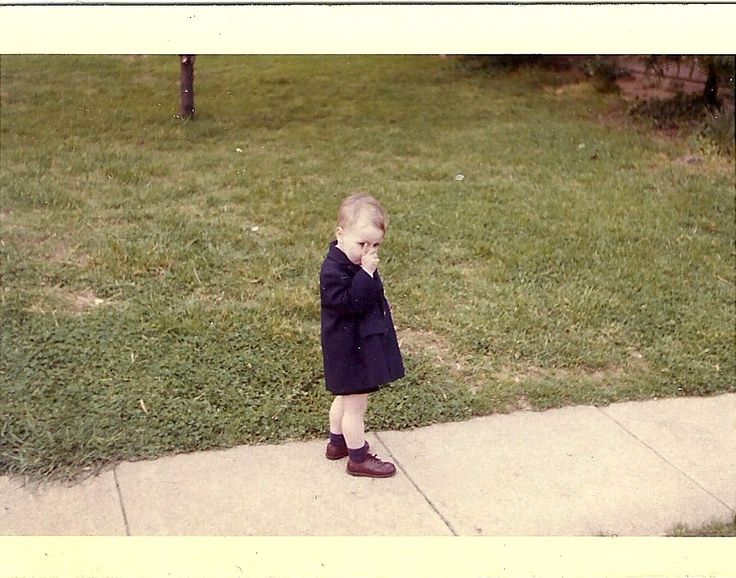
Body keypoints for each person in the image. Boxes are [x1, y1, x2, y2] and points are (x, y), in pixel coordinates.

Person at [319, 193, 405, 478]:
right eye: (362, 244)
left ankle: (337, 443)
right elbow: (351, 304)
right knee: (355, 406)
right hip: (348, 350)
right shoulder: (333, 271)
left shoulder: (351, 262)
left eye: (376, 245)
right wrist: (366, 274)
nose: (369, 251)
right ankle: (358, 457)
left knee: (344, 399)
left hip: (351, 346)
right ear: (340, 234)